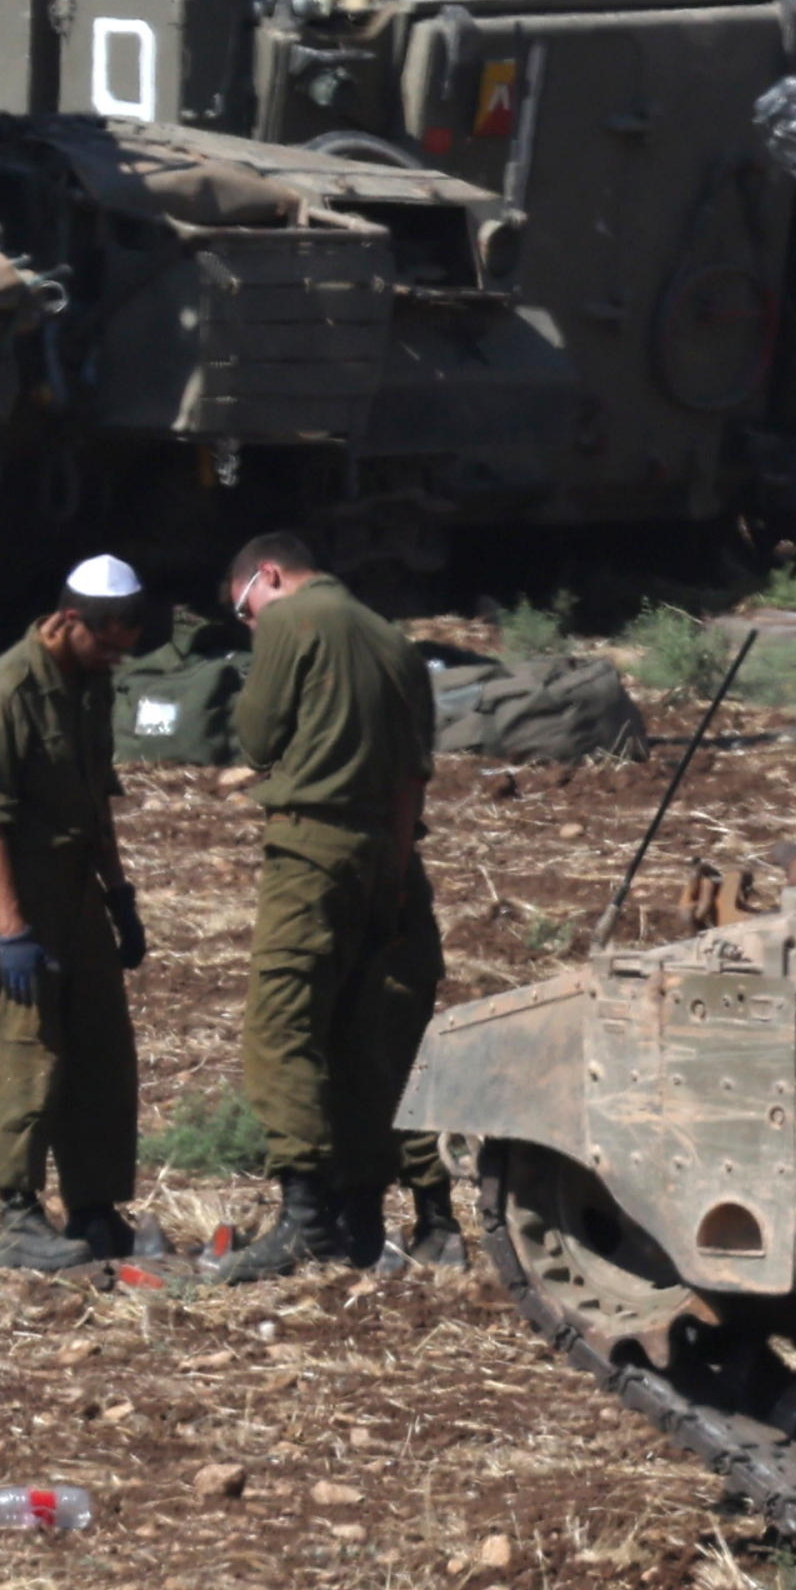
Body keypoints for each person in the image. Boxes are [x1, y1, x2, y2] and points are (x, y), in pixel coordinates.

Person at [214, 529, 448, 1281]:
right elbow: (414, 778)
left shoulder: (291, 620)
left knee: (281, 1026)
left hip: (310, 850)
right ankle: (365, 1212)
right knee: (361, 1029)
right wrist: (394, 870)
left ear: (269, 577)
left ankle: (305, 1213)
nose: (250, 626)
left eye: (244, 611)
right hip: (390, 854)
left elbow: (255, 737)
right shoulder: (394, 639)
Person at [0, 554, 155, 1273]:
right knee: (23, 1052)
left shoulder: (91, 685)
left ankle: (95, 1205)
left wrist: (120, 894)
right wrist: (12, 929)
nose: (112, 658)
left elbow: (97, 798)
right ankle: (17, 1215)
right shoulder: (7, 690)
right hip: (23, 902)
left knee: (101, 1054)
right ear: (70, 620)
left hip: (80, 899)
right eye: (104, 643)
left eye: (121, 647)